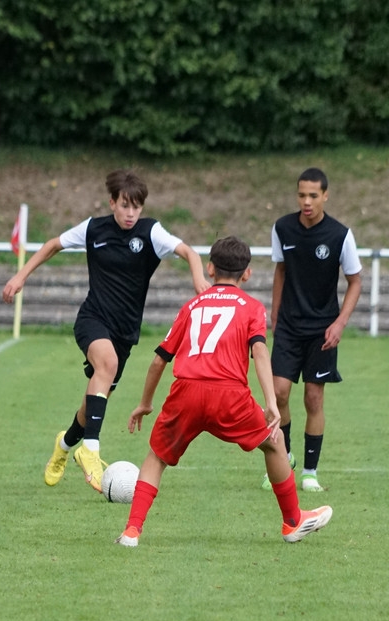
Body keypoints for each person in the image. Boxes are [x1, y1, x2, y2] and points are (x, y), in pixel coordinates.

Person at [117, 236, 332, 546]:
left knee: (156, 457)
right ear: (247, 274)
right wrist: (271, 402)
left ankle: (132, 531)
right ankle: (293, 521)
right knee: (275, 443)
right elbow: (259, 352)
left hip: (186, 391)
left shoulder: (191, 306)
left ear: (210, 268)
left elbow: (158, 361)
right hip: (229, 395)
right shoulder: (252, 307)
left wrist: (145, 403)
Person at [2, 169, 209, 492]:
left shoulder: (150, 232)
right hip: (93, 319)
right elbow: (53, 245)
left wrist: (198, 278)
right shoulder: (93, 228)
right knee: (107, 364)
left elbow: (189, 252)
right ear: (112, 202)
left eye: (136, 207)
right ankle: (91, 450)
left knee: (93, 404)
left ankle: (64, 445)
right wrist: (21, 276)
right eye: (125, 205)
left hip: (125, 332)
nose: (130, 213)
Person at [258, 167, 362, 492]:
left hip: (322, 330)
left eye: (313, 195)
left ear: (325, 196)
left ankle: (310, 472)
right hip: (289, 326)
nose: (306, 201)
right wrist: (274, 313)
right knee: (278, 393)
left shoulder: (340, 235)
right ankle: (285, 456)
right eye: (302, 195)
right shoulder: (282, 228)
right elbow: (280, 271)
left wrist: (340, 323)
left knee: (313, 399)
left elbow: (356, 281)